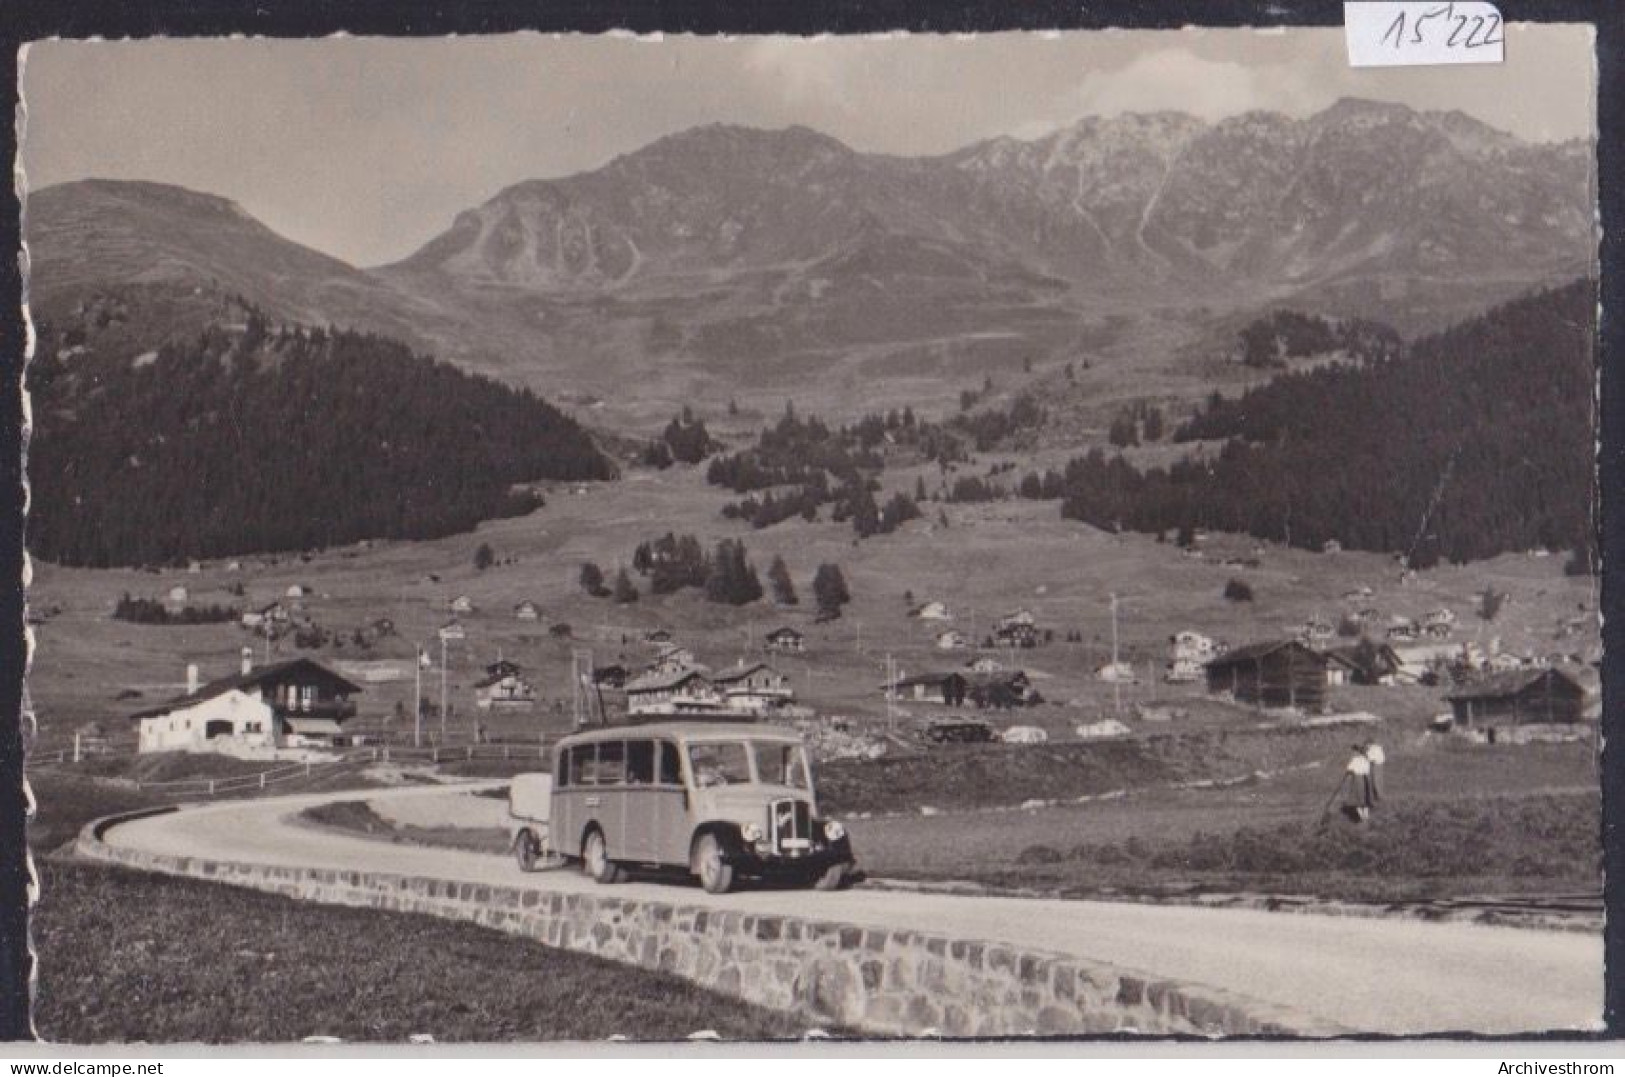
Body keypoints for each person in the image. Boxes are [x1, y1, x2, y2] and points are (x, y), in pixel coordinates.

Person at [1343, 744, 1373, 822]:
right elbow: (1367, 770)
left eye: (1353, 752)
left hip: (1357, 780)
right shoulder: (1365, 759)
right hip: (1365, 779)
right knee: (1365, 797)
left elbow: (1349, 768)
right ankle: (1366, 817)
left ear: (1356, 752)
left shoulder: (1355, 760)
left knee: (1358, 798)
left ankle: (1362, 817)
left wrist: (1349, 770)